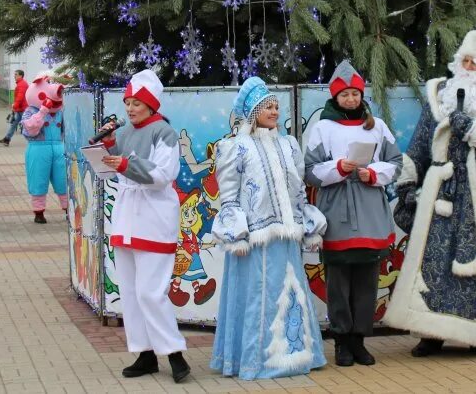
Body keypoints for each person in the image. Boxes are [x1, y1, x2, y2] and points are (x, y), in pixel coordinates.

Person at [384, 23, 476, 358]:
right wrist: (407, 184)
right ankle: (430, 333)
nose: (469, 68)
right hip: (440, 192)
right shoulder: (440, 95)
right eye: (465, 60)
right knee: (434, 263)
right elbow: (420, 143)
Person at [210, 76, 327, 380]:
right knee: (258, 294)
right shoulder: (235, 147)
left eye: (276, 106)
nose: (275, 112)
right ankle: (254, 361)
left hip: (287, 235)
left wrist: (306, 223)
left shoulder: (288, 145)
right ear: (253, 113)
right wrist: (237, 230)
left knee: (289, 290)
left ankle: (296, 355)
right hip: (255, 238)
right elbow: (229, 195)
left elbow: (299, 190)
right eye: (268, 107)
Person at [94, 69, 190, 382]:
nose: (131, 108)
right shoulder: (123, 134)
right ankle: (145, 353)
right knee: (132, 292)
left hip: (153, 216)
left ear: (151, 105)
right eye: (128, 103)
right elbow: (112, 171)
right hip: (126, 217)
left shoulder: (164, 133)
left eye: (137, 102)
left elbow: (163, 174)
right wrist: (104, 150)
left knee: (151, 292)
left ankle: (174, 354)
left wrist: (123, 163)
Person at [304, 61, 401, 367]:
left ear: (361, 95)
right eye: (344, 95)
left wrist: (372, 173)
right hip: (337, 211)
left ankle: (360, 339)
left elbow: (396, 162)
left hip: (370, 210)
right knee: (338, 280)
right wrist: (338, 168)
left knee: (366, 279)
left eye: (354, 94)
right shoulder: (322, 127)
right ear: (335, 97)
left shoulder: (377, 126)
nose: (350, 100)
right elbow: (309, 171)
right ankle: (341, 340)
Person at [21, 72, 68, 223]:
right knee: (38, 179)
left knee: (63, 179)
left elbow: (69, 130)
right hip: (38, 148)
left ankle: (69, 209)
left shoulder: (61, 112)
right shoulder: (31, 111)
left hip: (59, 148)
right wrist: (42, 111)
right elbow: (30, 129)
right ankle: (39, 212)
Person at [0, 70, 28, 146]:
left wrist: (14, 106)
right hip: (20, 109)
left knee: (27, 125)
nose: (14, 76)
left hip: (23, 109)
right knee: (13, 124)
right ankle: (7, 139)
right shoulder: (20, 84)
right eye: (14, 74)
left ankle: (36, 140)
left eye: (16, 74)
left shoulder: (22, 85)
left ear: (21, 76)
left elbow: (20, 97)